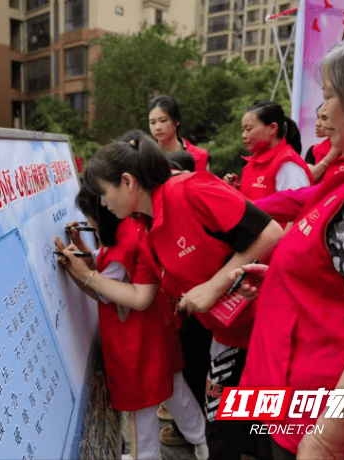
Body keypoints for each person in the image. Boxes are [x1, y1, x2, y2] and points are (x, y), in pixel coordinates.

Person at [59, 136, 284, 459]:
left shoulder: (190, 191)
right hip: (225, 331)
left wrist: (214, 286)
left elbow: (271, 232)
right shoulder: (142, 226)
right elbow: (142, 294)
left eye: (105, 194)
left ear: (127, 182)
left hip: (265, 323)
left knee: (255, 426)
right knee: (232, 425)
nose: (104, 205)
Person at [233, 25, 344, 460]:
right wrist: (286, 279)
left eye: (331, 96)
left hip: (326, 425)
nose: (322, 111)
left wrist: (324, 441)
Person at [55, 184, 208, 460]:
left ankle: (148, 456)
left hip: (136, 341)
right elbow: (105, 266)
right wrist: (80, 249)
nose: (88, 221)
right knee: (175, 391)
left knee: (142, 411)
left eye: (89, 215)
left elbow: (105, 290)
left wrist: (78, 273)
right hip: (156, 332)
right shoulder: (130, 227)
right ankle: (202, 440)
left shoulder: (122, 244)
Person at [225, 101, 313, 201]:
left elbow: (295, 206)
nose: (244, 136)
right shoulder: (250, 165)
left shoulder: (288, 164)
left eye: (248, 129)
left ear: (272, 128)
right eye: (242, 130)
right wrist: (234, 190)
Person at [148, 95, 209, 171]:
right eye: (152, 122)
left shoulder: (199, 156)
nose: (157, 127)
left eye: (163, 120)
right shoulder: (144, 157)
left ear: (177, 121)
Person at [305, 104, 344, 183]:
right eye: (318, 117)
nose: (317, 124)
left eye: (324, 119)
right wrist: (330, 156)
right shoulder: (314, 151)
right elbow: (305, 181)